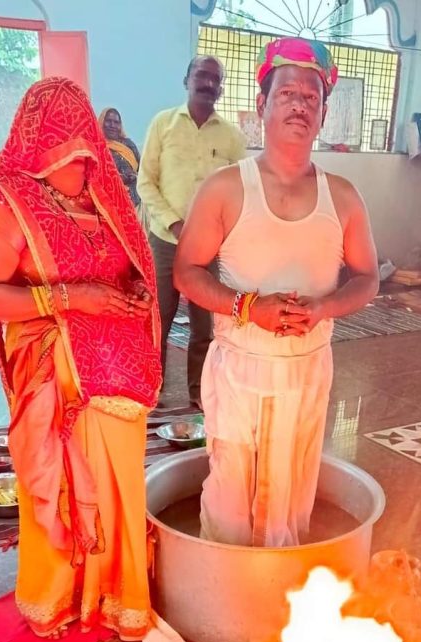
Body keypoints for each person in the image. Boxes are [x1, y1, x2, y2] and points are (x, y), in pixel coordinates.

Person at [0, 77, 162, 640]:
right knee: (64, 486)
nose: (79, 156)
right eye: (64, 143)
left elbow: (127, 269)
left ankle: (118, 594)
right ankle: (58, 596)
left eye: (83, 143)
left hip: (117, 368)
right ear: (36, 141)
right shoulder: (7, 202)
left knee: (120, 481)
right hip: (56, 371)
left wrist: (136, 291)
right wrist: (72, 300)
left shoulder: (103, 195)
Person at [174, 37, 378, 547]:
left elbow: (368, 278)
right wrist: (247, 307)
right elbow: (187, 272)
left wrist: (324, 307)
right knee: (230, 502)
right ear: (262, 104)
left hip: (307, 371)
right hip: (240, 371)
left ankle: (279, 588)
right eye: (287, 93)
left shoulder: (344, 197)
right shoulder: (225, 188)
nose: (299, 105)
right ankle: (218, 586)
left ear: (323, 114)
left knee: (291, 496)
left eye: (311, 97)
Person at [137, 55, 246, 408]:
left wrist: (219, 233)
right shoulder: (163, 124)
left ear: (221, 88)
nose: (209, 83)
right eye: (202, 75)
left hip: (210, 247)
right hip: (165, 241)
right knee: (159, 320)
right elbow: (145, 182)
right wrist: (175, 223)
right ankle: (151, 391)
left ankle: (200, 392)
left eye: (216, 79)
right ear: (187, 80)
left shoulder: (232, 137)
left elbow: (239, 190)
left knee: (204, 325)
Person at [99, 107, 141, 207]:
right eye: (108, 121)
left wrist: (134, 177)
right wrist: (122, 178)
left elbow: (142, 171)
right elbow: (98, 176)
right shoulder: (98, 146)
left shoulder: (129, 144)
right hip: (111, 202)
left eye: (116, 122)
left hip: (136, 200)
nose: (112, 125)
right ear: (102, 122)